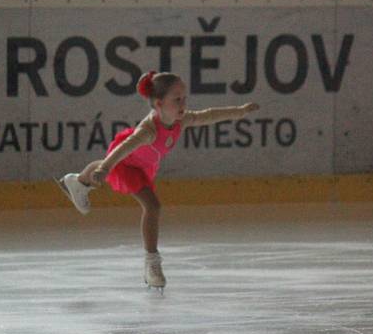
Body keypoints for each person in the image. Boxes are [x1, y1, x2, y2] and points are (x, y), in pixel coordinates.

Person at [57, 71, 260, 292]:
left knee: (107, 177)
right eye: (177, 99)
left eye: (184, 98)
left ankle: (78, 182)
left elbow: (208, 115)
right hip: (127, 163)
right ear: (159, 103)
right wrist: (107, 167)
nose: (183, 104)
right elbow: (122, 149)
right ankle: (152, 264)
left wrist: (238, 112)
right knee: (152, 205)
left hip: (141, 166)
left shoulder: (180, 121)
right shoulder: (149, 131)